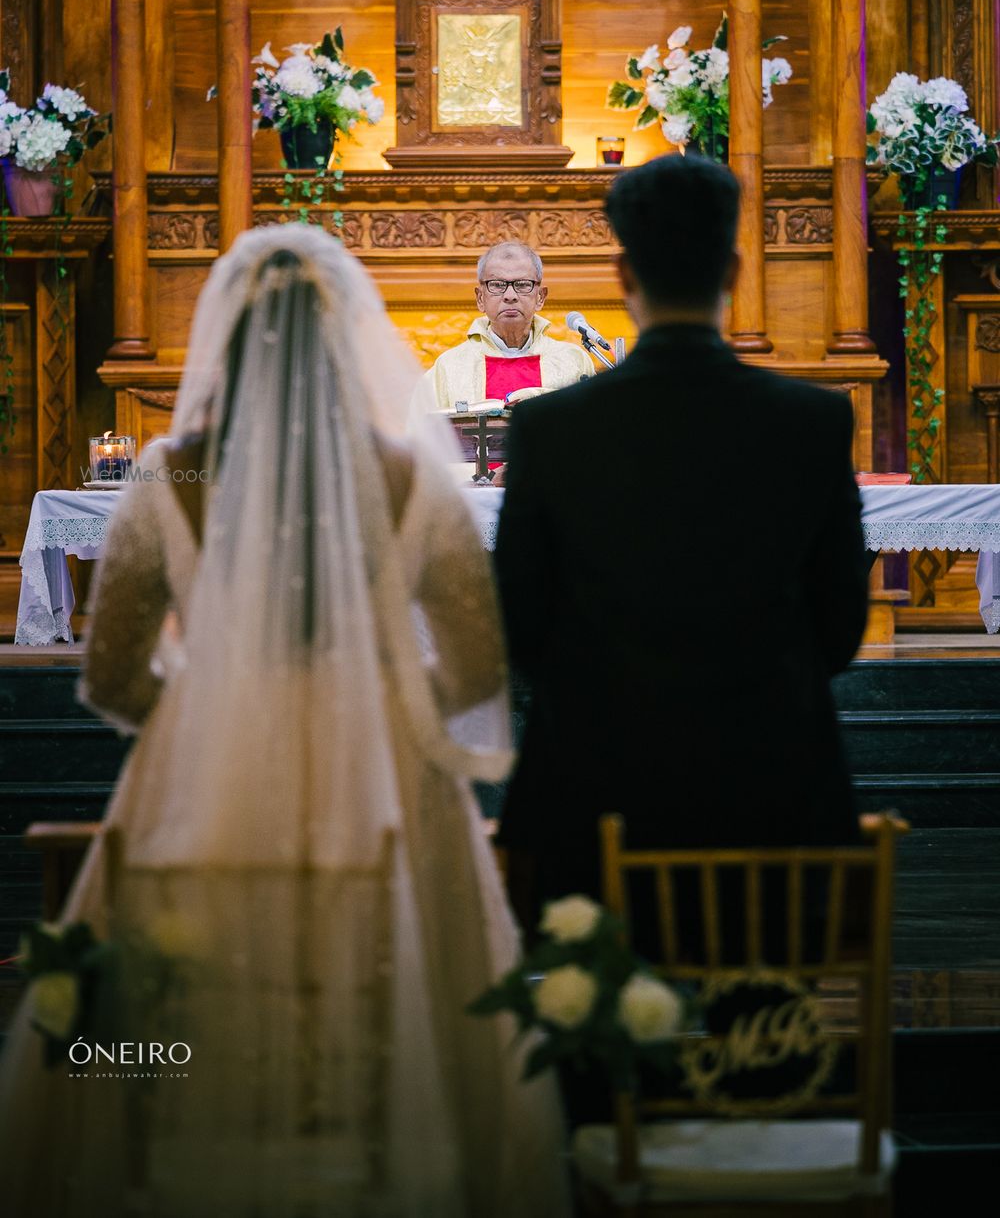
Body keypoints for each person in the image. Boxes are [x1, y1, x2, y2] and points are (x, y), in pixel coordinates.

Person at [0, 225, 570, 1218]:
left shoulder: (171, 474)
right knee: (419, 1001)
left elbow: (110, 674)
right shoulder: (408, 477)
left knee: (165, 1000)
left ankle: (160, 1147)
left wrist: (207, 710)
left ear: (230, 338)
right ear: (350, 338)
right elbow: (480, 662)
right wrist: (384, 708)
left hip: (211, 781)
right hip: (385, 785)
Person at [495, 154, 870, 930]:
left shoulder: (550, 428)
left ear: (623, 271)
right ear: (734, 267)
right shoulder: (813, 422)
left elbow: (522, 627)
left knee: (591, 1035)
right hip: (771, 802)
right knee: (763, 1031)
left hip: (590, 807)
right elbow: (839, 629)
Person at [419, 241, 594, 410]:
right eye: (497, 285)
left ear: (540, 297)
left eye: (523, 284)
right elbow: (421, 432)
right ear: (480, 298)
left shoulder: (573, 361)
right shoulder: (449, 366)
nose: (510, 295)